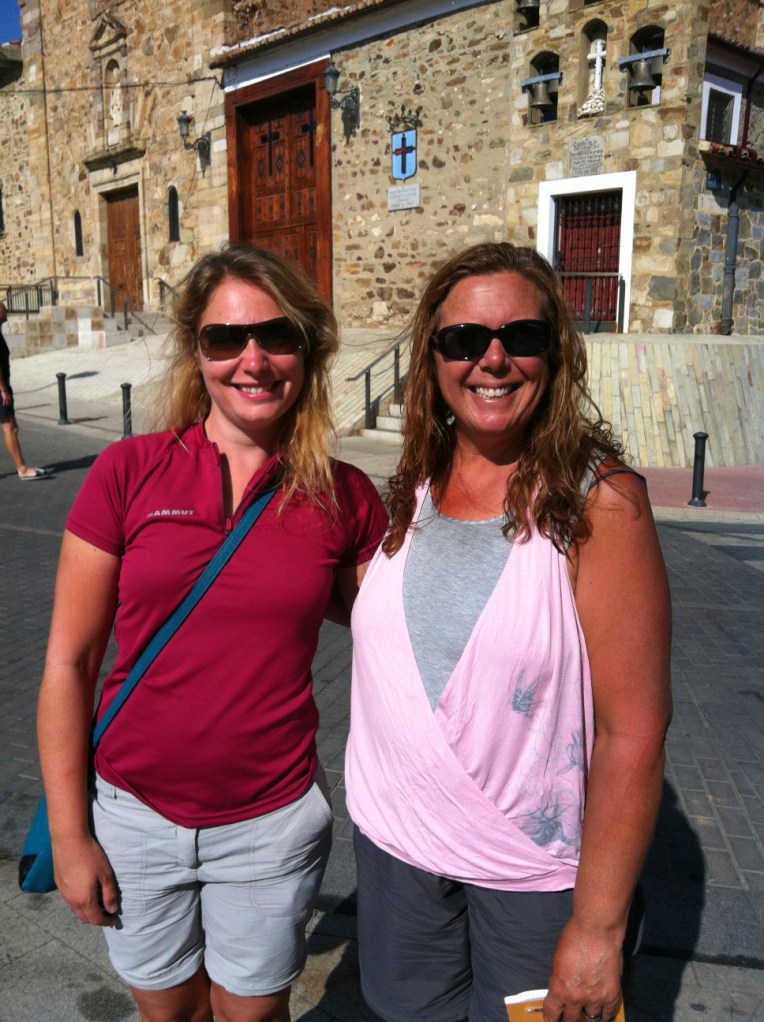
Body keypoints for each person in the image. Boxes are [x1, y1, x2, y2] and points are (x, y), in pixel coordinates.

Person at [36, 244, 388, 1022]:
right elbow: (69, 662)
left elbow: (398, 628)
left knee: (251, 1014)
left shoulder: (344, 495)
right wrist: (69, 834)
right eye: (226, 339)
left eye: (276, 334)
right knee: (170, 1013)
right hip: (133, 814)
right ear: (197, 352)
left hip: (271, 819)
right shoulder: (127, 472)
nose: (252, 360)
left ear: (308, 347)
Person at [345, 242, 672, 1022]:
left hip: (531, 879)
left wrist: (598, 929)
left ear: (553, 354)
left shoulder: (601, 503)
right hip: (397, 856)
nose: (492, 360)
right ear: (432, 358)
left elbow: (634, 732)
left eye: (520, 336)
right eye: (464, 339)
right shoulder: (414, 483)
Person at [0, 300, 50, 479]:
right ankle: (22, 469)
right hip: (1, 388)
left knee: (11, 427)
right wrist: (3, 389)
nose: (5, 310)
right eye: (2, 307)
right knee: (11, 427)